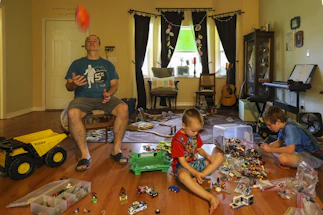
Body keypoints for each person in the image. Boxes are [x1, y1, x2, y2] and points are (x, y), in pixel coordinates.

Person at [65, 34, 129, 172]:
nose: (92, 43)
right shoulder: (77, 64)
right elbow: (68, 85)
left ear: (99, 45)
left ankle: (116, 150)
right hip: (83, 98)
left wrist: (109, 93)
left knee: (123, 108)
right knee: (72, 112)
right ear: (85, 45)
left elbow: (114, 84)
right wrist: (74, 84)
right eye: (89, 41)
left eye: (95, 41)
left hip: (105, 97)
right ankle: (84, 154)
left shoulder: (108, 64)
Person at [171, 108, 224, 214]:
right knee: (182, 176)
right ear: (184, 126)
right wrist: (195, 173)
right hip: (183, 168)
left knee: (219, 157)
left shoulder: (194, 135)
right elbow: (182, 162)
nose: (196, 133)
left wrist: (207, 155)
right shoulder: (177, 140)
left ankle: (199, 178)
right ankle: (210, 197)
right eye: (194, 131)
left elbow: (199, 149)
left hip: (195, 164)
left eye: (198, 131)